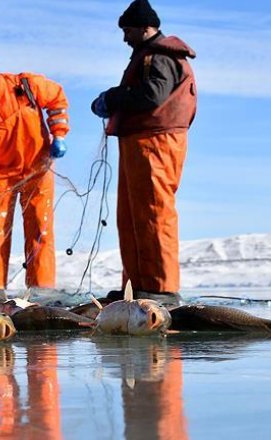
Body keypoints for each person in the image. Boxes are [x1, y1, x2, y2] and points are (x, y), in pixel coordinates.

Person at [91, 0, 197, 306]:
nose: (125, 38)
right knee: (132, 217)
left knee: (154, 213)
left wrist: (111, 98)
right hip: (140, 143)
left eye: (128, 31)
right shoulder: (149, 54)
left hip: (156, 144)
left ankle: (161, 288)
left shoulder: (159, 56)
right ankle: (136, 287)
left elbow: (153, 95)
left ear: (145, 28)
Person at [0, 51, 70, 307]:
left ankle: (41, 288)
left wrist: (59, 134)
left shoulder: (26, 85)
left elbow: (57, 98)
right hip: (0, 176)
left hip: (37, 167)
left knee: (39, 227)